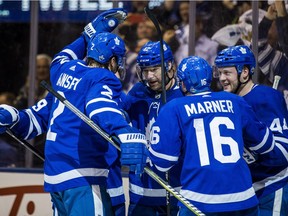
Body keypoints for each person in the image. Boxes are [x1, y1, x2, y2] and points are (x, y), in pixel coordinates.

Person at [0, 8, 147, 216]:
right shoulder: (103, 78)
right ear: (112, 60)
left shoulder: (63, 72)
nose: (120, 65)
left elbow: (38, 117)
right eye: (119, 60)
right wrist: (124, 131)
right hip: (83, 175)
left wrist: (15, 118)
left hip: (55, 178)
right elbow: (99, 106)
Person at [147, 55, 288, 215]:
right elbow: (265, 144)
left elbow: (163, 162)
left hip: (200, 200)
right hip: (244, 199)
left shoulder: (174, 107)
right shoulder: (235, 101)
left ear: (183, 83)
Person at [214, 44, 288, 215]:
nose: (222, 78)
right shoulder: (226, 101)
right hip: (246, 191)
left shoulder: (266, 97)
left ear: (245, 72)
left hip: (272, 185)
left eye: (227, 73)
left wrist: (256, 140)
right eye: (220, 73)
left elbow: (283, 153)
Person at [121, 41, 184, 216]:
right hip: (141, 193)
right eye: (145, 70)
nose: (149, 76)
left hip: (176, 192)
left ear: (169, 66)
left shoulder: (183, 94)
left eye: (154, 69)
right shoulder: (138, 91)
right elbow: (120, 118)